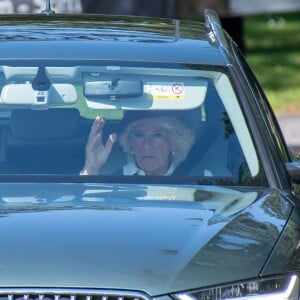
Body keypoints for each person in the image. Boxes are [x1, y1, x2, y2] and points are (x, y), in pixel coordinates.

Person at [80, 113, 195, 176]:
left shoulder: (198, 175)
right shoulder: (114, 180)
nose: (147, 145)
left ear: (174, 142)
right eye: (139, 135)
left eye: (157, 135)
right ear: (130, 144)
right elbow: (85, 214)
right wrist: (91, 169)